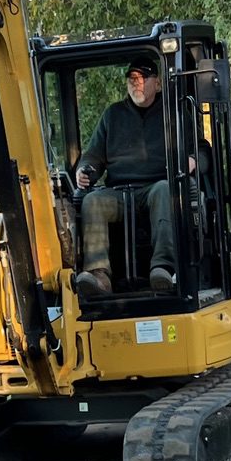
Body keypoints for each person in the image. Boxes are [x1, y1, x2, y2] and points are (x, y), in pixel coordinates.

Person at [73, 58, 178, 298]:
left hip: (155, 187)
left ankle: (163, 268)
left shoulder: (173, 112)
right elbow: (94, 155)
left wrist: (193, 159)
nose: (136, 83)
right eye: (132, 79)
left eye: (142, 78)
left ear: (158, 84)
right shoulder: (112, 115)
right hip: (120, 191)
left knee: (165, 190)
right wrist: (85, 170)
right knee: (92, 201)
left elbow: (201, 149)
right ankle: (99, 276)